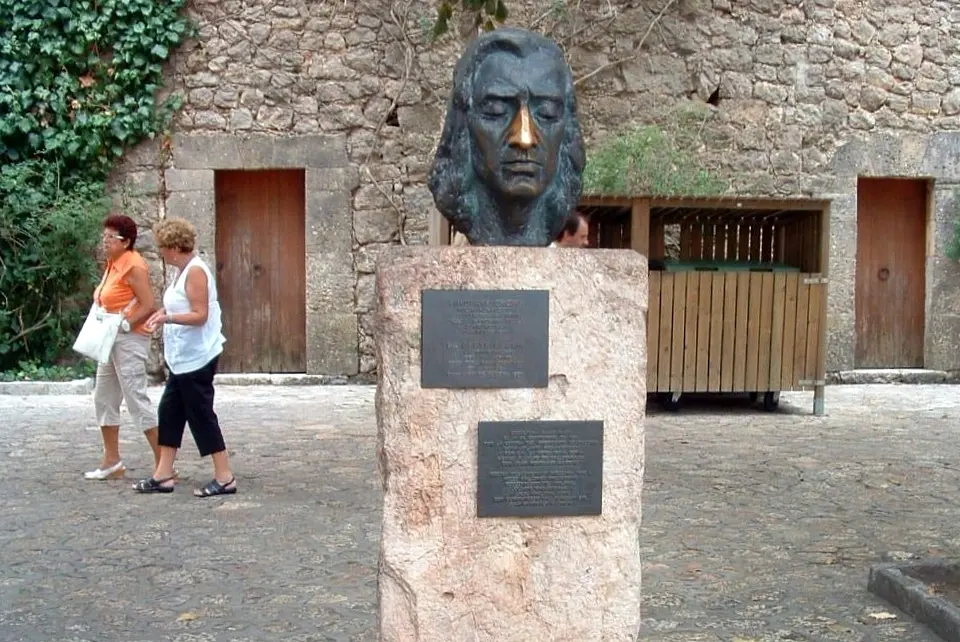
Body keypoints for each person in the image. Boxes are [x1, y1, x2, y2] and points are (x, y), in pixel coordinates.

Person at [133, 218, 236, 497]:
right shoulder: (181, 272)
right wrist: (161, 317)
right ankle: (163, 474)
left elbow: (200, 315)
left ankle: (225, 476)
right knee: (170, 411)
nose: (161, 253)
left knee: (201, 414)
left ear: (175, 247)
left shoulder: (196, 272)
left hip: (198, 357)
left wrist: (168, 318)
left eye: (163, 247)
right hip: (182, 358)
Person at [85, 214, 161, 480]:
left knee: (136, 399)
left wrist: (127, 324)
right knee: (103, 397)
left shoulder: (133, 265)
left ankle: (164, 464)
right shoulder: (113, 263)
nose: (105, 241)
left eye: (110, 238)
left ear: (126, 241)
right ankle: (112, 460)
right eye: (104, 236)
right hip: (110, 338)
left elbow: (148, 302)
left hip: (128, 339)